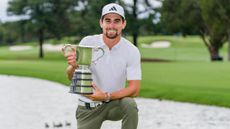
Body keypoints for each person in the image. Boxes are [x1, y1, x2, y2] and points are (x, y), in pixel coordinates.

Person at [64, 3, 142, 129]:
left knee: (129, 104)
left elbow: (135, 89)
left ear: (123, 24)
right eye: (107, 20)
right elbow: (70, 77)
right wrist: (73, 67)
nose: (111, 25)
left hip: (114, 104)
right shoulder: (87, 42)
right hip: (88, 107)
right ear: (101, 23)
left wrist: (106, 96)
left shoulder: (131, 50)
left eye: (116, 21)